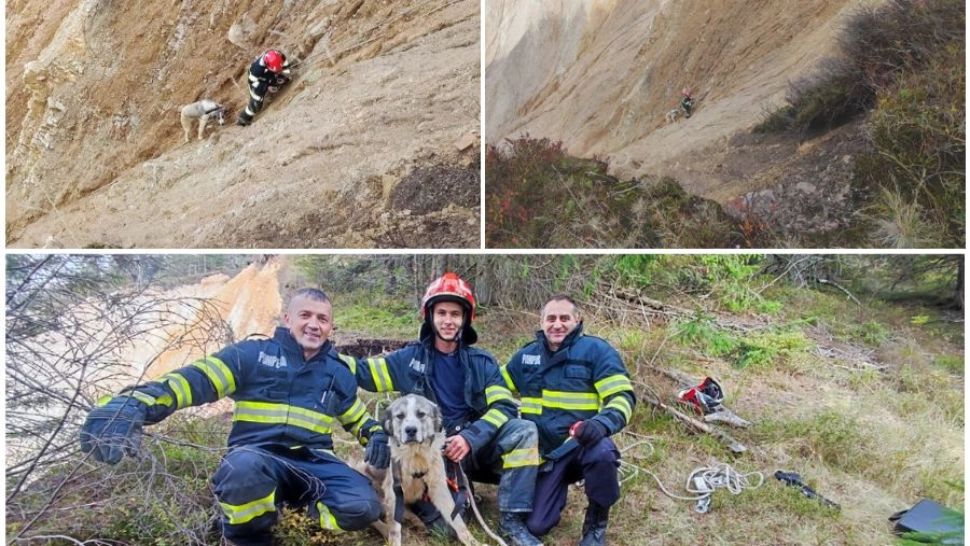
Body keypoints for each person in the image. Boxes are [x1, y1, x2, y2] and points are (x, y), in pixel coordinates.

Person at [79, 288, 389, 546]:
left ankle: (294, 507)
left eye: (322, 319)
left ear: (330, 327)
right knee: (243, 471)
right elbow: (193, 381)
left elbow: (356, 417)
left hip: (313, 462)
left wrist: (375, 434)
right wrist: (132, 405)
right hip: (257, 455)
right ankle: (248, 535)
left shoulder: (338, 371)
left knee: (363, 506)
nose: (313, 325)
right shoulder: (251, 356)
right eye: (305, 315)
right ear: (287, 319)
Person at [347, 272, 543, 546]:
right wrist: (322, 352)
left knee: (524, 430)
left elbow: (504, 406)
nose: (448, 320)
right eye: (441, 312)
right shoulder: (409, 359)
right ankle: (427, 495)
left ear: (466, 319)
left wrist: (470, 438)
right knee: (447, 530)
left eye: (455, 313)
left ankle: (512, 520)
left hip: (476, 445)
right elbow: (363, 373)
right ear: (430, 315)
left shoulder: (482, 362)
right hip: (434, 454)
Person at [502, 295, 636, 546]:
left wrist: (600, 424)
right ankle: (553, 490)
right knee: (536, 525)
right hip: (545, 457)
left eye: (565, 318)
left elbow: (622, 397)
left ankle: (596, 525)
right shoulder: (526, 356)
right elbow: (496, 387)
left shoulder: (597, 351)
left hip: (582, 446)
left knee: (604, 453)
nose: (557, 324)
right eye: (551, 318)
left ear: (578, 320)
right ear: (541, 322)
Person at [237, 49, 292, 126]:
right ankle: (244, 118)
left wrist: (286, 73)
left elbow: (285, 62)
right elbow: (252, 82)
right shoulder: (257, 69)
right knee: (257, 104)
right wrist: (267, 85)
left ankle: (275, 81)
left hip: (268, 73)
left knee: (282, 78)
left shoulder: (279, 56)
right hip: (257, 81)